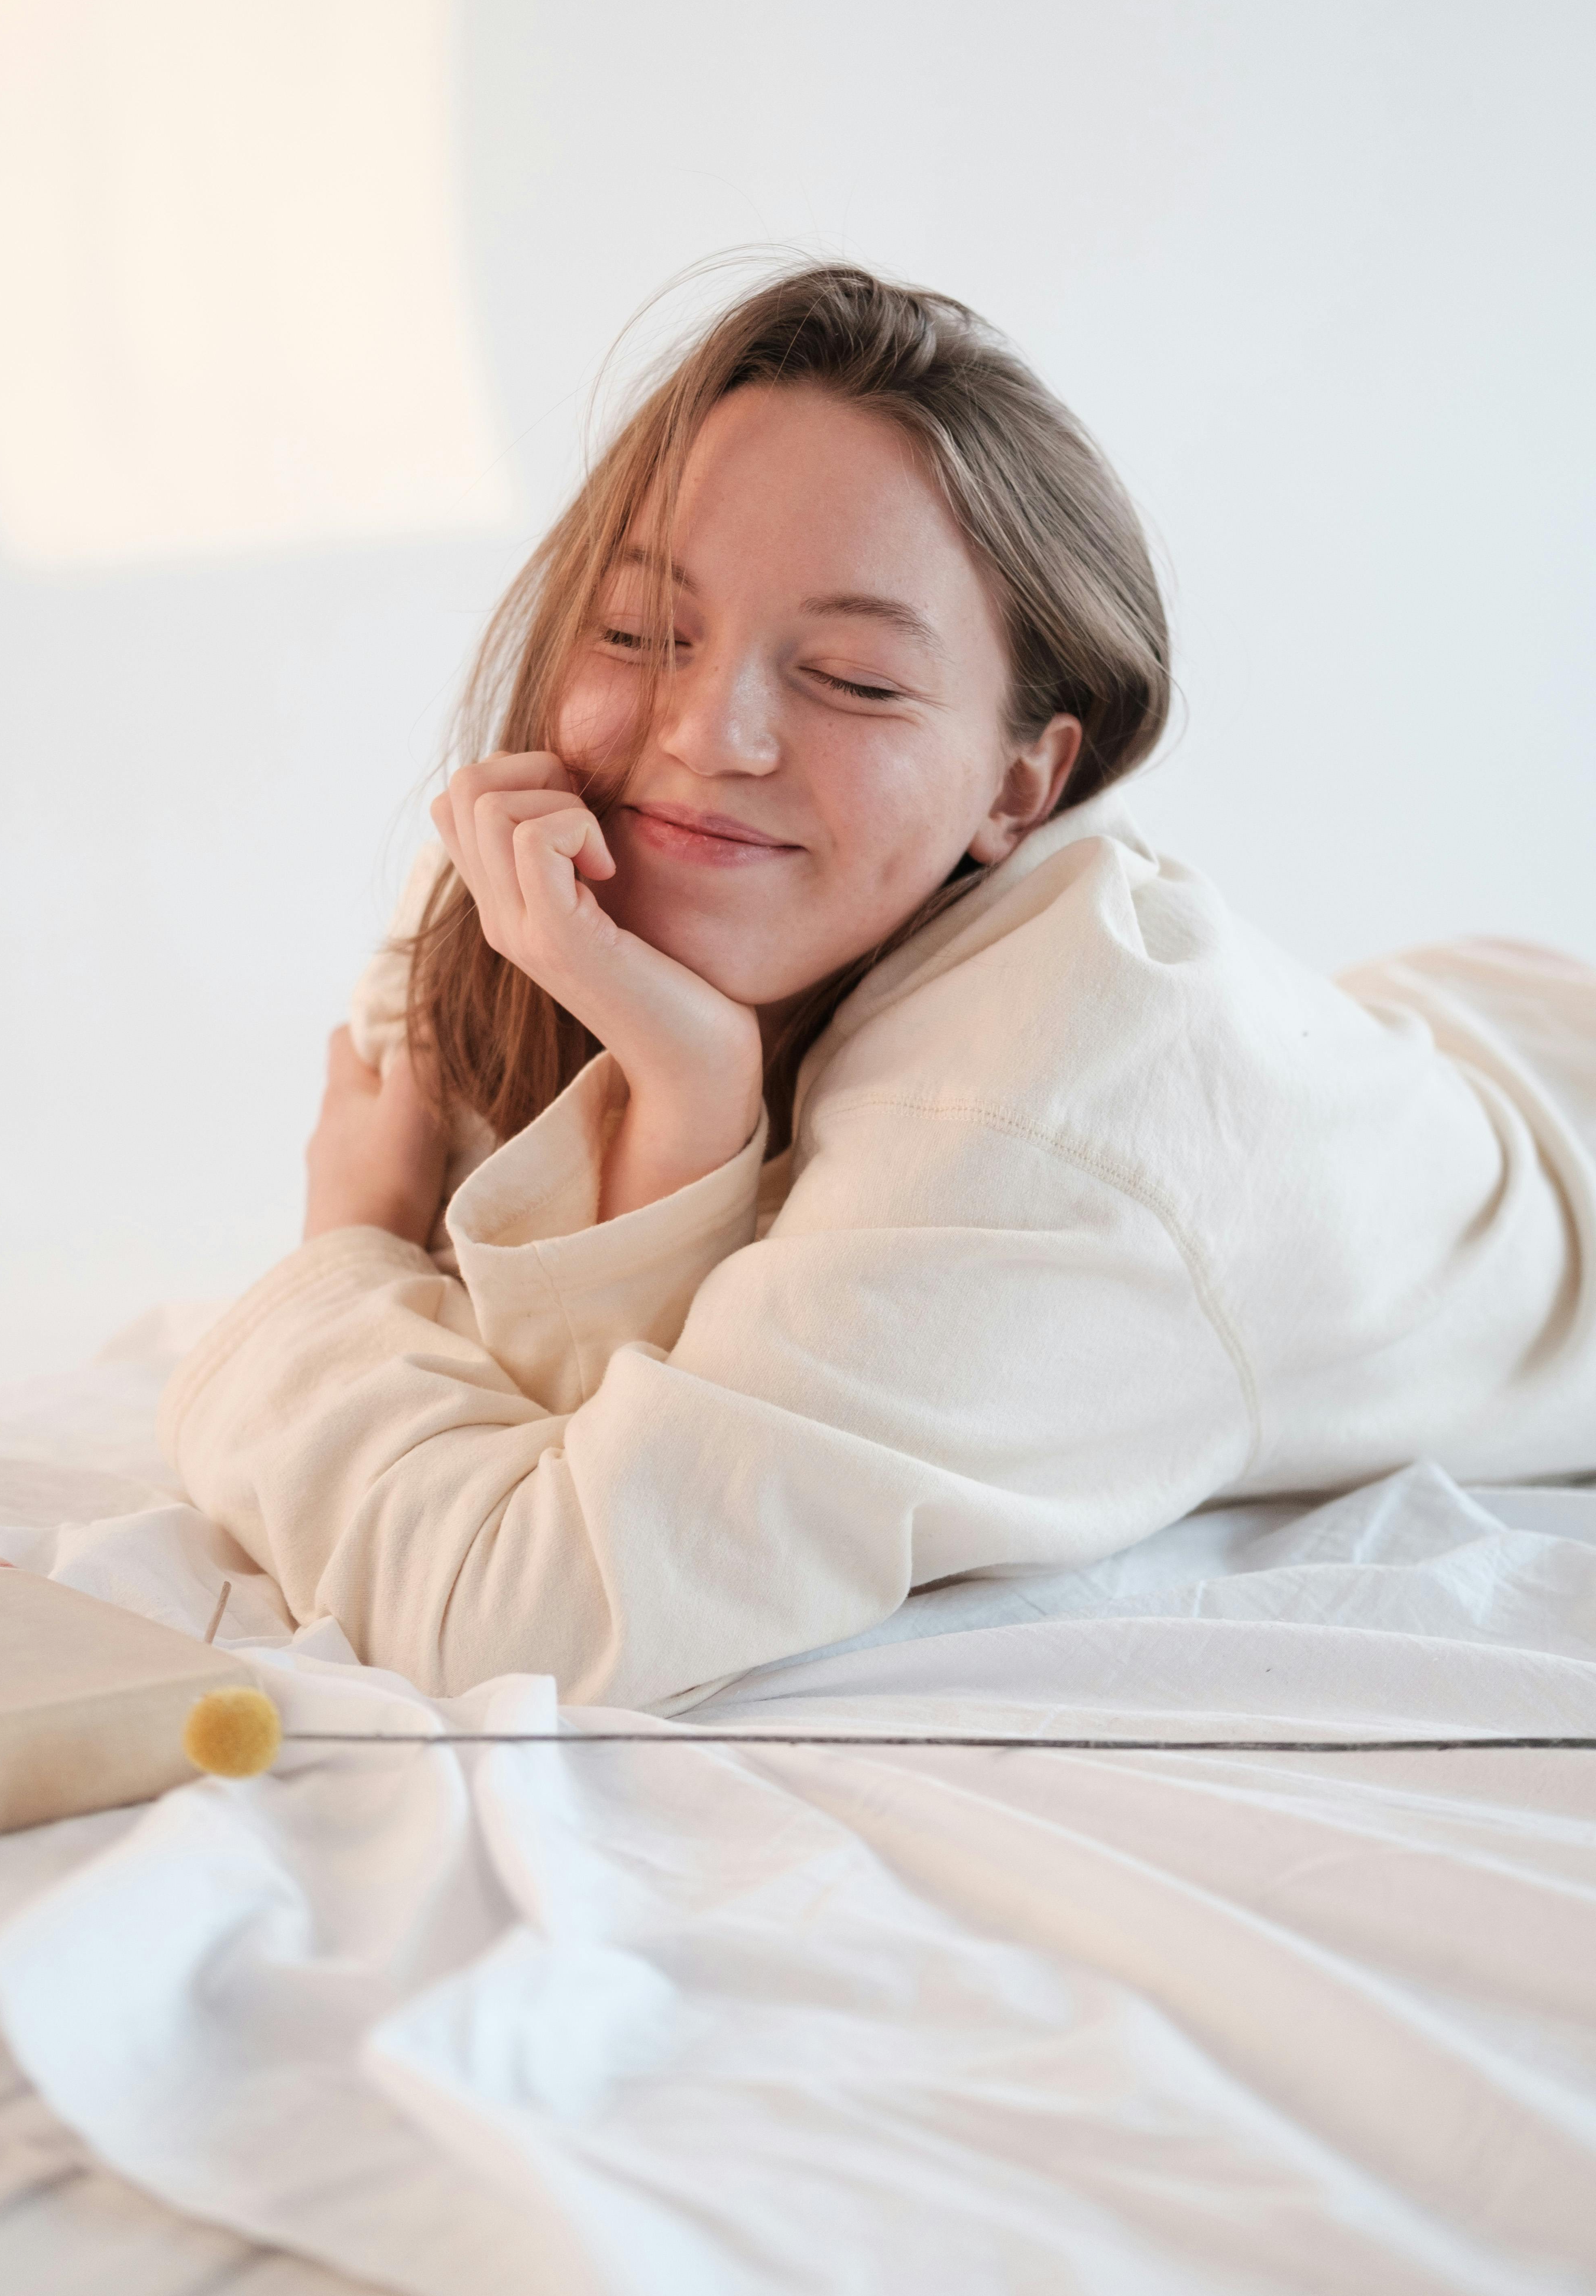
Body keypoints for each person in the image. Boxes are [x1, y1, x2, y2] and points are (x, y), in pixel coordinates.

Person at [161, 264, 1596, 1711]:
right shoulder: (546, 879)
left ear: (1022, 782)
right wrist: (684, 1100)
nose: (707, 733)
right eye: (641, 633)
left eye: (851, 679)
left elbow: (521, 1610)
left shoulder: (1046, 1131)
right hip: (1432, 1042)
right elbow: (566, 1431)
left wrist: (341, 1249)